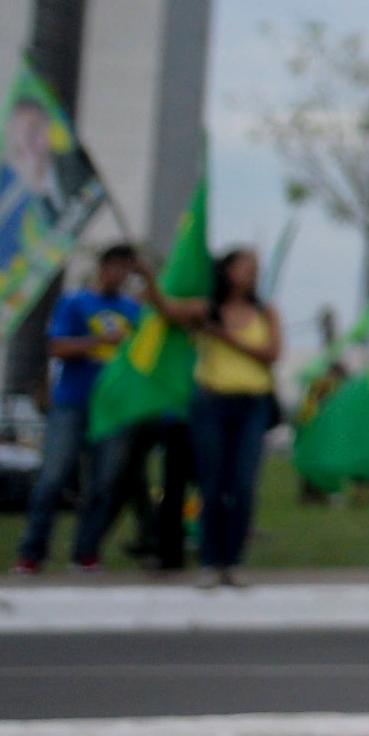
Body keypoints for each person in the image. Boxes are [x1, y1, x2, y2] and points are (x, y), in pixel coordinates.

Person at [142, 247, 282, 588]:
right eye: (244, 266)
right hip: (211, 403)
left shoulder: (266, 313)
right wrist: (149, 278)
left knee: (244, 485)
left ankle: (233, 561)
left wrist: (225, 336)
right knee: (212, 483)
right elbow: (166, 309)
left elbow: (271, 353)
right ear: (227, 270)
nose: (251, 272)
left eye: (255, 267)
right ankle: (209, 561)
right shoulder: (206, 309)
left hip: (252, 405)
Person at [23, 247, 144, 574]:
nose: (119, 275)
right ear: (102, 268)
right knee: (53, 477)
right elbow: (58, 347)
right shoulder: (75, 302)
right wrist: (99, 341)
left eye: (125, 270)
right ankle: (32, 552)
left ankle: (85, 552)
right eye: (114, 267)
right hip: (73, 401)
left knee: (104, 484)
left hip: (114, 409)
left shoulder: (134, 310)